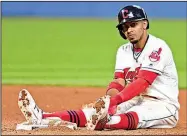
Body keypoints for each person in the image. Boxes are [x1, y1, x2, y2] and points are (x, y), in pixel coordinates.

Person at [18, 5, 180, 131]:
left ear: (144, 24)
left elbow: (143, 82)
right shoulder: (123, 51)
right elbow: (118, 81)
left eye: (133, 24)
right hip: (134, 99)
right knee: (93, 113)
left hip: (163, 105)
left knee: (131, 116)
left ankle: (105, 123)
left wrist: (116, 101)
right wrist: (109, 101)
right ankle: (43, 116)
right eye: (124, 27)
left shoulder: (157, 47)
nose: (128, 30)